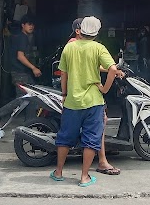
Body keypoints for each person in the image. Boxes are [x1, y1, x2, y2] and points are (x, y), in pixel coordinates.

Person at [50, 16, 118, 187]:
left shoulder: (69, 47)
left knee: (65, 137)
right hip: (94, 101)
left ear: (81, 30)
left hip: (72, 101)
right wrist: (104, 89)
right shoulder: (98, 48)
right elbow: (113, 69)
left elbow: (63, 74)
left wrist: (64, 93)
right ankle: (84, 177)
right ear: (96, 32)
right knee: (91, 139)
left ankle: (58, 172)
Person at [67, 17, 123, 176]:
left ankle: (101, 159)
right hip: (83, 94)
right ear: (79, 30)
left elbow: (93, 64)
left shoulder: (84, 46)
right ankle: (99, 162)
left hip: (86, 93)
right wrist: (106, 86)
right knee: (98, 123)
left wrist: (112, 70)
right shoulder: (73, 44)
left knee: (101, 122)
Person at [10, 14, 41, 96]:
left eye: (33, 25)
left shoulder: (24, 37)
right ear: (23, 25)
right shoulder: (22, 38)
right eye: (29, 24)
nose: (31, 27)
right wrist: (34, 68)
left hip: (22, 73)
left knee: (29, 96)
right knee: (23, 99)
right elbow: (20, 56)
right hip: (20, 73)